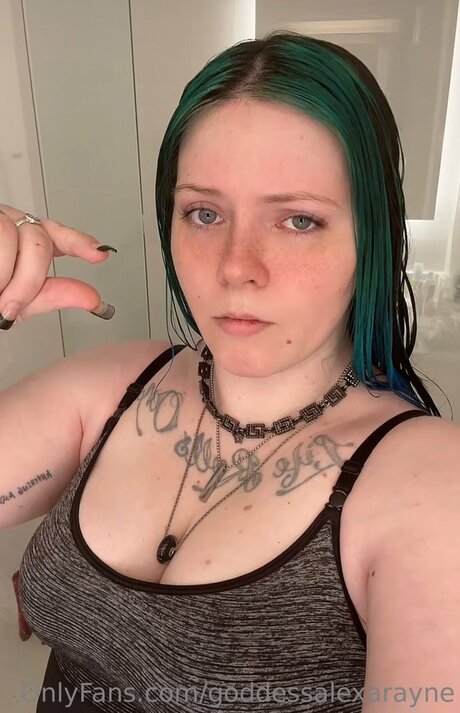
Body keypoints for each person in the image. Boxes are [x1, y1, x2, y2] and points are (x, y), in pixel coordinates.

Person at [0, 30, 458, 713]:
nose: (236, 266)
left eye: (298, 220)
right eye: (205, 213)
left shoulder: (431, 486)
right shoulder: (112, 386)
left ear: (373, 236)